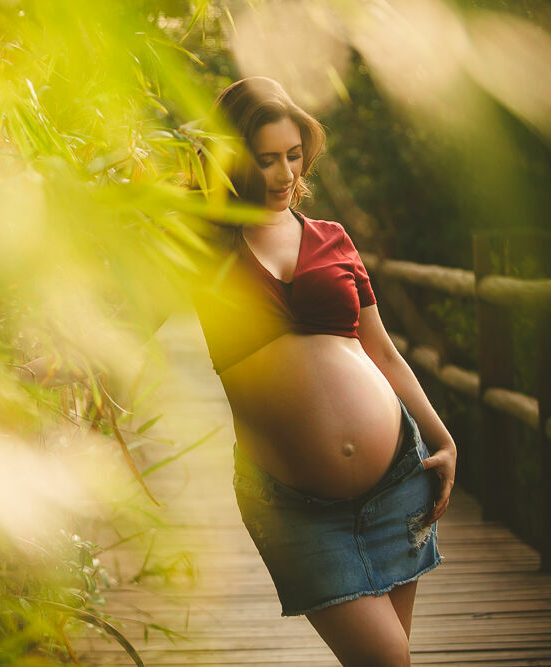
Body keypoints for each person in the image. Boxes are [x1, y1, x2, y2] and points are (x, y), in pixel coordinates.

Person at [188, 76, 457, 666]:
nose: (285, 174)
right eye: (265, 159)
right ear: (234, 159)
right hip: (295, 507)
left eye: (293, 155)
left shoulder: (333, 238)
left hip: (396, 484)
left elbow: (382, 352)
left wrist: (442, 438)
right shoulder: (201, 248)